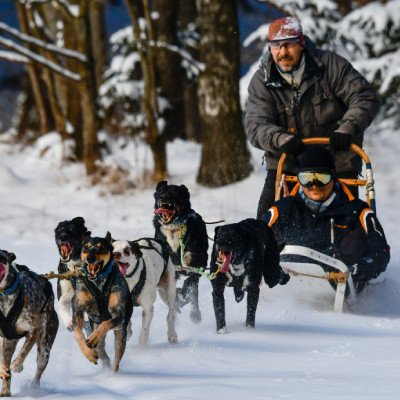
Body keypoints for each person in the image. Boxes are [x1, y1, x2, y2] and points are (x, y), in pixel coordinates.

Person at [245, 16, 381, 219]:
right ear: (270, 49)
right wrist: (281, 139)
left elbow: (364, 97)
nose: (283, 52)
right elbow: (256, 124)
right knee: (265, 223)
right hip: (289, 162)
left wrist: (346, 128)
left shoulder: (330, 66)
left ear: (301, 44)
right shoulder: (262, 80)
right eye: (276, 46)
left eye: (289, 45)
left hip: (336, 160)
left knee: (347, 223)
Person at [263, 146, 390, 293]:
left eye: (321, 178)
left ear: (333, 176)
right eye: (307, 179)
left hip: (340, 287)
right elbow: (256, 236)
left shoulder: (357, 211)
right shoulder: (284, 209)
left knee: (355, 241)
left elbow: (382, 253)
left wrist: (359, 268)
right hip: (289, 285)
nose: (314, 185)